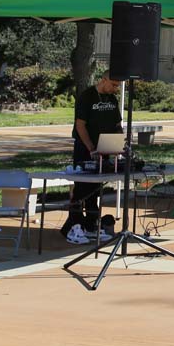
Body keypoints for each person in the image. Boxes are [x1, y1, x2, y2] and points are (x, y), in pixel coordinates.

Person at [61, 73, 122, 245]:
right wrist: (91, 148)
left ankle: (91, 225)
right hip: (85, 149)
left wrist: (120, 143)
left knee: (95, 190)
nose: (115, 88)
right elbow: (80, 125)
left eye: (117, 86)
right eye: (113, 84)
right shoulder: (87, 96)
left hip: (105, 148)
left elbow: (117, 125)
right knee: (81, 188)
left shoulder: (112, 99)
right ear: (103, 80)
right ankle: (74, 227)